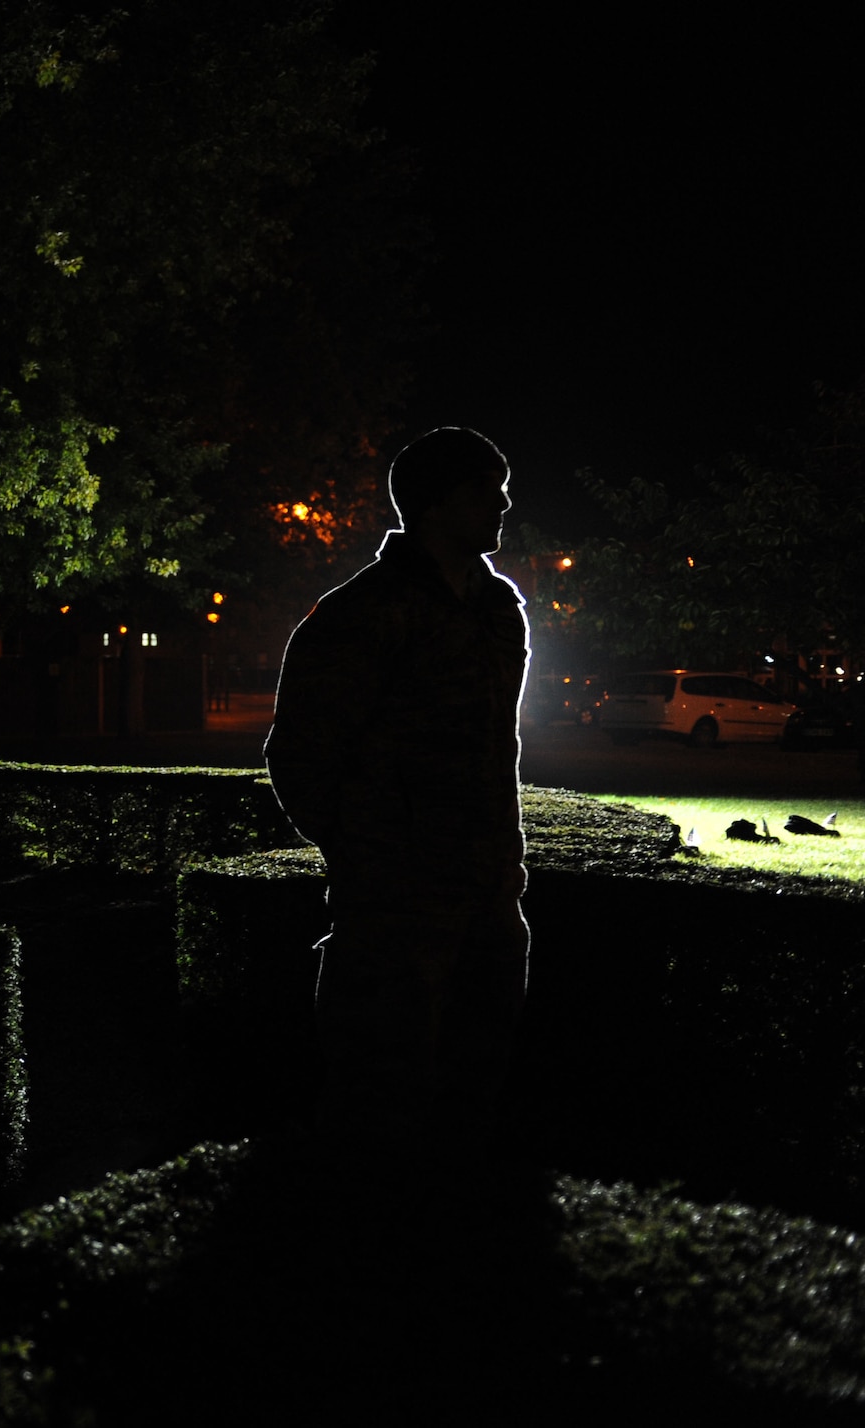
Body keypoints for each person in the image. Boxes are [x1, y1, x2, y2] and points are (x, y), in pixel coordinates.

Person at [264, 427, 529, 1158]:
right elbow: (301, 756)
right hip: (395, 906)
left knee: (475, 1093)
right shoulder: (361, 612)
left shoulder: (497, 608)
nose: (504, 503)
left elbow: (495, 750)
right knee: (380, 1101)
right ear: (438, 503)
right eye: (486, 488)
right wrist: (371, 858)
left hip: (488, 894)